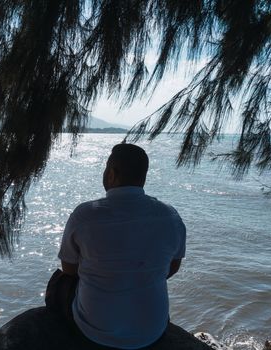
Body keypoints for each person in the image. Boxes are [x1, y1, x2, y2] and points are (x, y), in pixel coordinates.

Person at [46, 143, 186, 349]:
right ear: (143, 178)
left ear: (111, 173)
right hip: (152, 331)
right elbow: (172, 268)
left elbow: (69, 269)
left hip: (94, 331)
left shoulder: (84, 215)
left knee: (60, 282)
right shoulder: (170, 216)